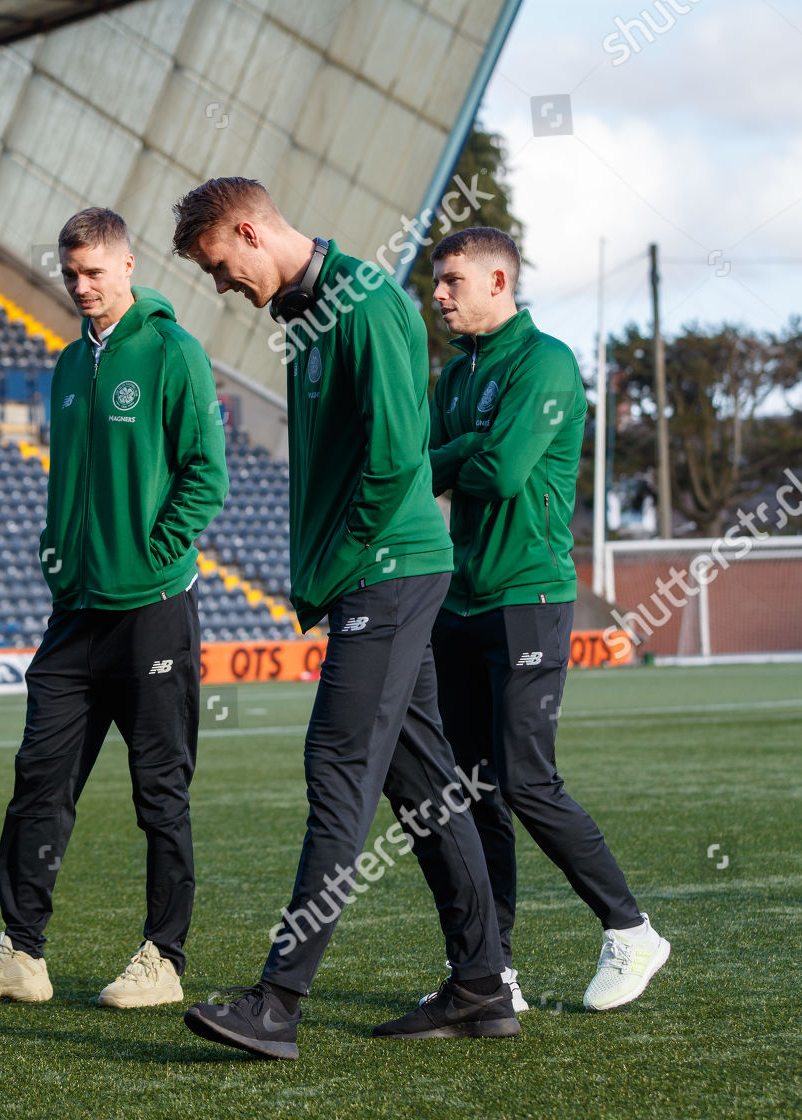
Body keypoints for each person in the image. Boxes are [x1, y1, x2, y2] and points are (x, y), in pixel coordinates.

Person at [169, 177, 515, 1057]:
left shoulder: (367, 306)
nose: (221, 286)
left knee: (336, 766)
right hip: (373, 577)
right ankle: (482, 983)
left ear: (250, 232)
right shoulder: (311, 321)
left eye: (219, 266)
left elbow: (398, 459)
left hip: (389, 573)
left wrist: (343, 559)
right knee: (425, 786)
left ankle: (278, 1003)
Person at [0, 207, 228, 1009]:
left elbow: (208, 472)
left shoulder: (174, 353)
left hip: (154, 609)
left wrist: (153, 552)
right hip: (76, 613)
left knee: (159, 789)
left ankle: (162, 960)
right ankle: (22, 955)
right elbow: (67, 481)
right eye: (71, 275)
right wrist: (54, 547)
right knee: (40, 778)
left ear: (128, 267)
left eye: (95, 273)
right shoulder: (69, 366)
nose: (82, 287)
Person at [426, 226, 669, 1012]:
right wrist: (469, 445)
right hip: (458, 600)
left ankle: (631, 932)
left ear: (499, 282)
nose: (439, 294)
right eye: (438, 280)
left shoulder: (548, 361)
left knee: (528, 781)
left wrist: (464, 450)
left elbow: (497, 474)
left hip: (528, 598)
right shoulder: (454, 374)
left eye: (452, 280)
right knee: (471, 791)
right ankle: (492, 972)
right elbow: (423, 468)